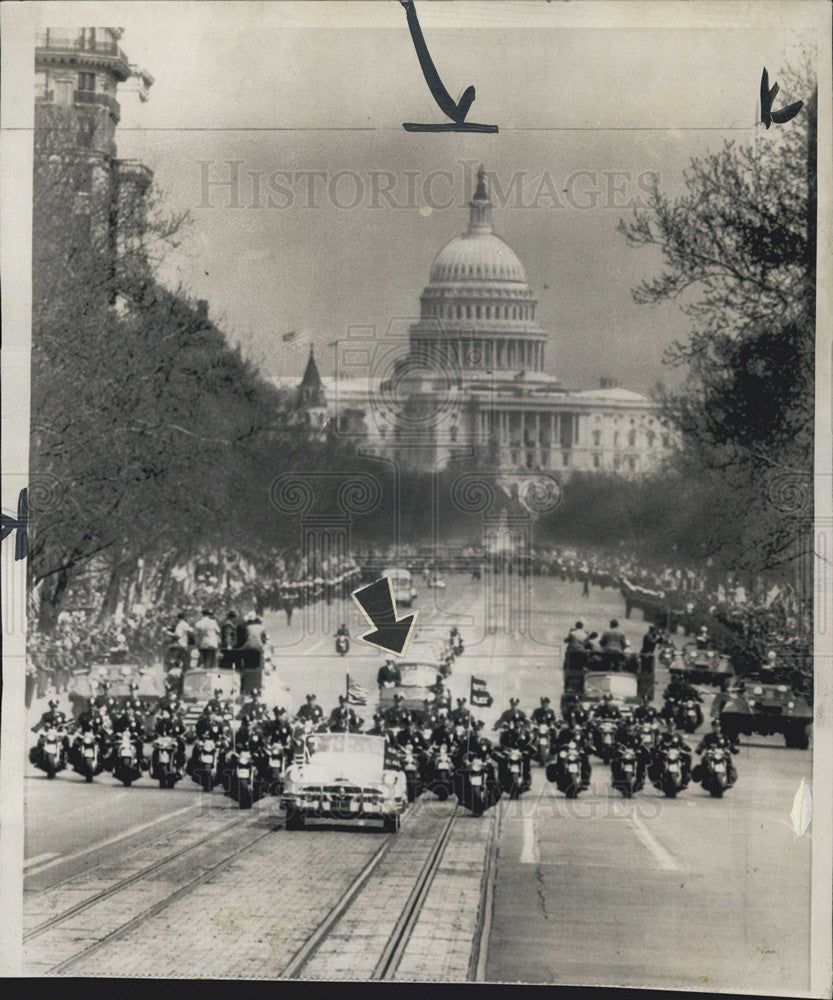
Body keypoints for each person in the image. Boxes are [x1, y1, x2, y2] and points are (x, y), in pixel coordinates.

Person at [693, 719, 739, 785]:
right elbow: (702, 744)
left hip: (722, 754)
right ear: (712, 727)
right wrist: (699, 749)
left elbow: (729, 745)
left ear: (720, 727)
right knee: (704, 761)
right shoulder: (708, 736)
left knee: (729, 762)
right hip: (711, 754)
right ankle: (704, 778)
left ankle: (730, 779)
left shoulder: (724, 736)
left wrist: (734, 750)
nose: (717, 728)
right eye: (715, 726)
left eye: (718, 726)